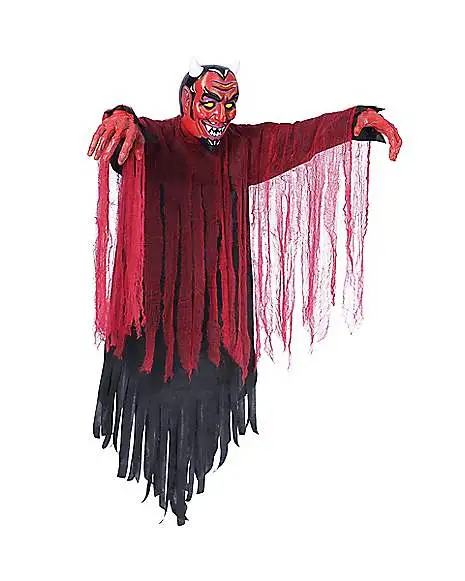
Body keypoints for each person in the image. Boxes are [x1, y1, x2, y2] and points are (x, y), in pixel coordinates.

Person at [88, 60, 402, 525]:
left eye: (231, 104)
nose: (222, 115)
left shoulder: (242, 148)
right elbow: (128, 140)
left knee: (202, 401)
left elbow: (296, 137)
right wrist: (121, 118)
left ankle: (184, 490)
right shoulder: (155, 141)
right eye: (210, 101)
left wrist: (353, 121)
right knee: (154, 400)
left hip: (216, 320)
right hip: (153, 321)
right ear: (186, 99)